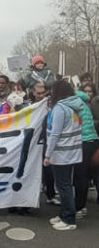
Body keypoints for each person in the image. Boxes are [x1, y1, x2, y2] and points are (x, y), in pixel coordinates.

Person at [44, 80, 82, 231]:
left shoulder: (60, 108)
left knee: (63, 187)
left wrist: (48, 155)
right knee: (65, 185)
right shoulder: (74, 107)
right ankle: (64, 214)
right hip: (71, 152)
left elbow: (55, 133)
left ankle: (69, 219)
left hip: (61, 153)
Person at [73, 86, 99, 218]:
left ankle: (79, 208)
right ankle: (81, 206)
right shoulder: (83, 103)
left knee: (80, 176)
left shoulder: (71, 104)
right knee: (85, 175)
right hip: (93, 140)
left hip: (83, 141)